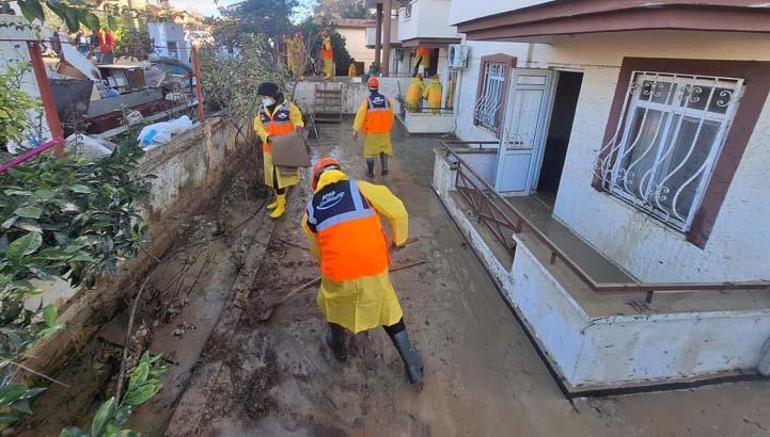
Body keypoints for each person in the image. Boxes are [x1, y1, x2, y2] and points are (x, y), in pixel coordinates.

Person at [302, 157, 423, 385]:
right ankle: (412, 365)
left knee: (332, 305)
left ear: (315, 182)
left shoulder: (310, 211)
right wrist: (399, 240)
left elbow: (318, 253)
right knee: (388, 309)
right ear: (340, 172)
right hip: (373, 266)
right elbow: (398, 211)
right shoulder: (361, 188)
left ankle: (339, 348)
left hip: (337, 273)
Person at [253, 82, 304, 219]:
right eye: (262, 97)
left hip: (284, 148)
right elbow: (258, 126)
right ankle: (279, 200)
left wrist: (299, 126)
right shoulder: (262, 109)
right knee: (273, 177)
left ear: (273, 95)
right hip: (269, 148)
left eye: (265, 96)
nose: (263, 99)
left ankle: (281, 205)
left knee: (279, 178)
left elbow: (297, 119)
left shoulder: (288, 107)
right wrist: (266, 137)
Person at [353, 76, 394, 177]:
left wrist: (355, 130)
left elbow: (360, 116)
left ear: (368, 87)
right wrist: (389, 127)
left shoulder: (367, 101)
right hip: (384, 131)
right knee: (384, 149)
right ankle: (384, 167)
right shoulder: (387, 100)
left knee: (369, 153)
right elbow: (391, 115)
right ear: (378, 87)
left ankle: (370, 172)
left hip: (372, 133)